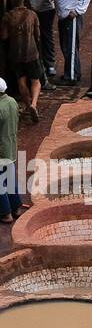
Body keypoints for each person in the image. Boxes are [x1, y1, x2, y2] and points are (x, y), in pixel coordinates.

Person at [0, 0, 43, 124]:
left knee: (21, 81)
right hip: (32, 53)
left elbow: (4, 36)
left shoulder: (7, 16)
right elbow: (38, 35)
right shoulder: (32, 15)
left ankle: (26, 104)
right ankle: (34, 105)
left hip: (15, 54)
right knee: (36, 80)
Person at [55, 0, 90, 86]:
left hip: (72, 19)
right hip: (63, 18)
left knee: (70, 47)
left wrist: (77, 11)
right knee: (66, 47)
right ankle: (73, 72)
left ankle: (71, 77)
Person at [0, 78, 24, 223]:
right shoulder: (12, 102)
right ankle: (16, 208)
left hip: (1, 150)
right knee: (10, 179)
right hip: (11, 147)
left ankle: (5, 213)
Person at [26, 0, 57, 80]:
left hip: (45, 7)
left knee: (46, 35)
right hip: (30, 6)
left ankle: (49, 63)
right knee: (33, 36)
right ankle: (38, 63)